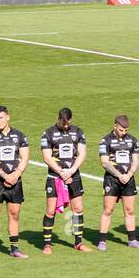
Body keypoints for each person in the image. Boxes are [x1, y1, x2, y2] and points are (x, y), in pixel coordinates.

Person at [0, 105, 30, 261]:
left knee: (14, 214)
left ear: (8, 117)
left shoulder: (20, 136)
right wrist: (5, 176)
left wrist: (16, 174)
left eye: (0, 118)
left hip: (15, 180)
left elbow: (25, 158)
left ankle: (14, 249)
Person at [41, 107, 91, 254]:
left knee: (78, 209)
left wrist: (71, 170)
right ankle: (47, 245)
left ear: (71, 119)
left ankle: (78, 243)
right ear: (58, 119)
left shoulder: (78, 132)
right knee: (50, 211)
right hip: (55, 177)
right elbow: (47, 157)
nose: (65, 126)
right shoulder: (48, 133)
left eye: (68, 123)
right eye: (63, 124)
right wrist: (61, 172)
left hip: (73, 175)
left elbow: (82, 153)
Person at [96, 114, 139, 251]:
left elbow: (136, 160)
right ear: (115, 126)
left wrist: (129, 174)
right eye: (121, 130)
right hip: (112, 180)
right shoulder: (105, 141)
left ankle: (132, 240)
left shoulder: (133, 140)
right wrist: (118, 175)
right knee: (108, 210)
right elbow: (104, 162)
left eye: (126, 130)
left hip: (128, 180)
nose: (124, 132)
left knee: (130, 210)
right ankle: (102, 241)